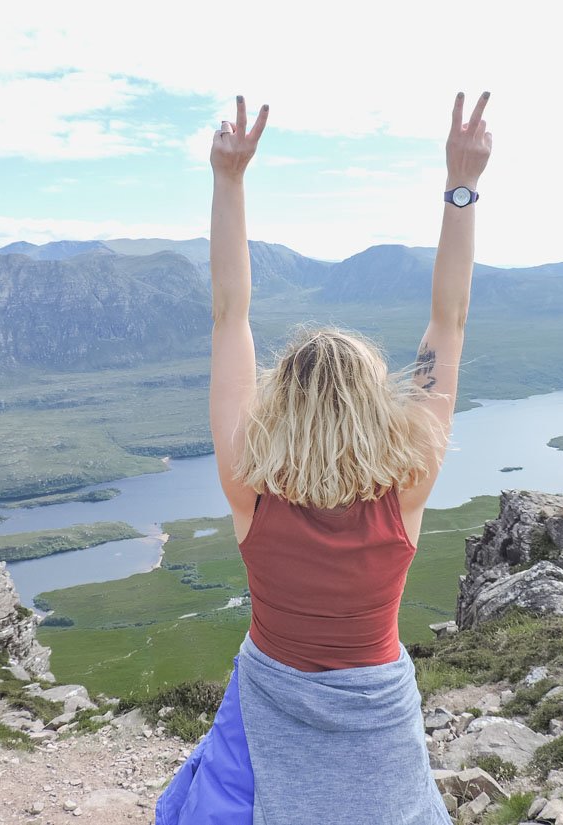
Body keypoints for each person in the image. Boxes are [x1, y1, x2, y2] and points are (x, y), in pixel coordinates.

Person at [155, 90, 492, 825]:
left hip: (270, 694)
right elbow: (450, 318)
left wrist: (229, 179)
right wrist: (461, 184)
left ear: (284, 400)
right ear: (373, 403)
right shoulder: (405, 487)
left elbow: (229, 312)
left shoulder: (251, 485)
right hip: (375, 705)